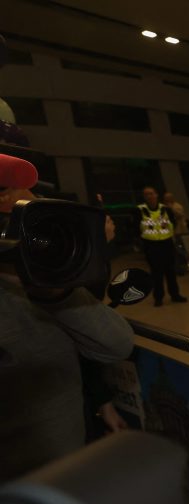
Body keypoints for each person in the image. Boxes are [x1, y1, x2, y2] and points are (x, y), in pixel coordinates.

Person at [0, 153, 135, 482]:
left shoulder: (42, 286)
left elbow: (116, 344)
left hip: (65, 473)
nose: (20, 200)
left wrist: (54, 290)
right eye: (3, 191)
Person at [137, 186, 186, 306]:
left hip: (166, 243)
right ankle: (158, 297)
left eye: (151, 193)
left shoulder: (165, 209)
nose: (150, 196)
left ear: (156, 194)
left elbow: (173, 223)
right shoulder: (140, 210)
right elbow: (135, 227)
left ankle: (175, 294)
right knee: (156, 273)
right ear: (144, 197)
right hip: (151, 245)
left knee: (171, 271)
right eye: (147, 194)